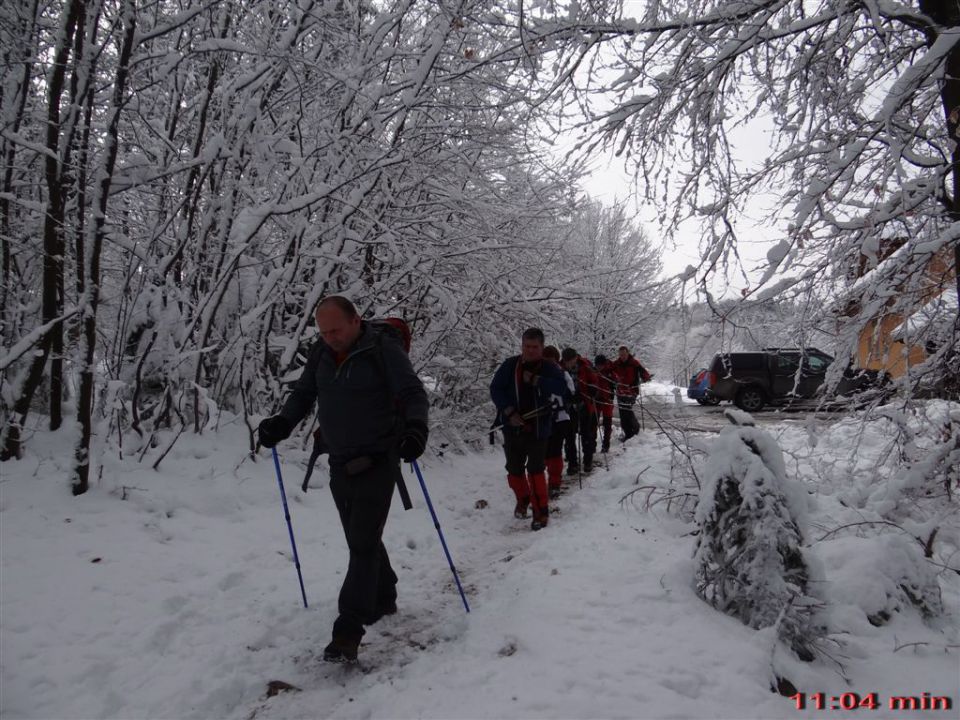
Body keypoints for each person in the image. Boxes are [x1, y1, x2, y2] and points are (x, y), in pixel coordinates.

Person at [257, 296, 429, 664]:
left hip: (379, 459)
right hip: (339, 463)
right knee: (360, 537)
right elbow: (304, 394)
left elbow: (413, 392)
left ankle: (348, 629)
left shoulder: (382, 350)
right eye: (324, 331)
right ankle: (385, 594)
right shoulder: (322, 352)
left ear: (355, 321)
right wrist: (282, 424)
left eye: (335, 329)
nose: (330, 337)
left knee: (362, 545)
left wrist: (416, 430)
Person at [490, 328, 570, 530]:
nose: (531, 351)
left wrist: (537, 381)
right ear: (522, 346)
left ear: (542, 347)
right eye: (527, 346)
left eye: (535, 347)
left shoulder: (549, 368)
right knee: (514, 469)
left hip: (538, 428)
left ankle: (540, 512)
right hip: (512, 427)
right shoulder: (510, 365)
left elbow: (562, 388)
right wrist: (509, 412)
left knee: (535, 469)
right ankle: (523, 499)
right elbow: (496, 389)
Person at [543, 345, 575, 498]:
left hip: (561, 418)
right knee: (546, 451)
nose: (548, 363)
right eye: (546, 359)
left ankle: (555, 482)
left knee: (554, 451)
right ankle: (548, 481)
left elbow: (571, 393)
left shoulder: (563, 374)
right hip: (543, 419)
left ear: (556, 360)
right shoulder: (540, 375)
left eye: (551, 360)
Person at [561, 348, 600, 473]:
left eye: (571, 360)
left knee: (586, 433)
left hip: (584, 403)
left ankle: (587, 461)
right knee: (569, 435)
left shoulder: (585, 365)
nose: (569, 364)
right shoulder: (560, 367)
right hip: (568, 406)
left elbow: (594, 380)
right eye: (566, 361)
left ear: (575, 358)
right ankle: (572, 463)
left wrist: (592, 390)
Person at [612, 345, 652, 441]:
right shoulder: (616, 364)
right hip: (620, 391)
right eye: (621, 355)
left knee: (627, 410)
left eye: (624, 354)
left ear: (628, 353)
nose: (623, 357)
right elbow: (609, 370)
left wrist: (646, 377)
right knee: (623, 412)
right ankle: (630, 432)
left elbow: (642, 371)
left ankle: (632, 431)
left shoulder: (634, 363)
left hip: (632, 391)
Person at [593, 354, 616, 453]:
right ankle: (591, 444)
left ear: (604, 364)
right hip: (597, 400)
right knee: (593, 423)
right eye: (597, 365)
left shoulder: (610, 372)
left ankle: (606, 445)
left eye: (600, 365)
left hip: (607, 401)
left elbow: (615, 383)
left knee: (607, 423)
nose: (599, 367)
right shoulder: (593, 371)